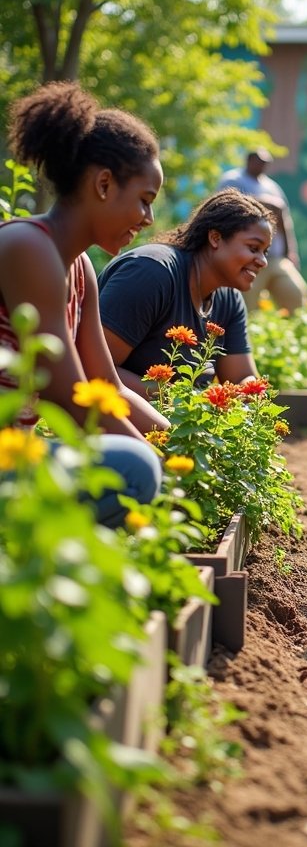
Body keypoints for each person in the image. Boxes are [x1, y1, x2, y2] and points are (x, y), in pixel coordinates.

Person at [0, 81, 167, 527]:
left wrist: (181, 443)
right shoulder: (27, 246)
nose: (148, 219)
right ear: (104, 184)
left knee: (142, 463)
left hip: (18, 458)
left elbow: (107, 388)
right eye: (145, 200)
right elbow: (68, 395)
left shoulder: (80, 270)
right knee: (134, 470)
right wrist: (158, 465)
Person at [98, 188, 274, 396]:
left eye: (265, 252)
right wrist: (182, 403)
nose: (263, 261)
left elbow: (240, 376)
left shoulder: (230, 300)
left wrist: (250, 391)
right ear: (215, 238)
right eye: (253, 248)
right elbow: (94, 370)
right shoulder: (151, 275)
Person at [216, 149, 307, 312]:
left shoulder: (272, 187)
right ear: (249, 160)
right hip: (246, 258)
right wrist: (267, 203)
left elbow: (285, 222)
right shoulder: (233, 179)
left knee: (296, 296)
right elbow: (226, 204)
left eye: (266, 162)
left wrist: (291, 252)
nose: (263, 165)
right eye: (259, 161)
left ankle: (294, 333)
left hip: (275, 257)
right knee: (245, 307)